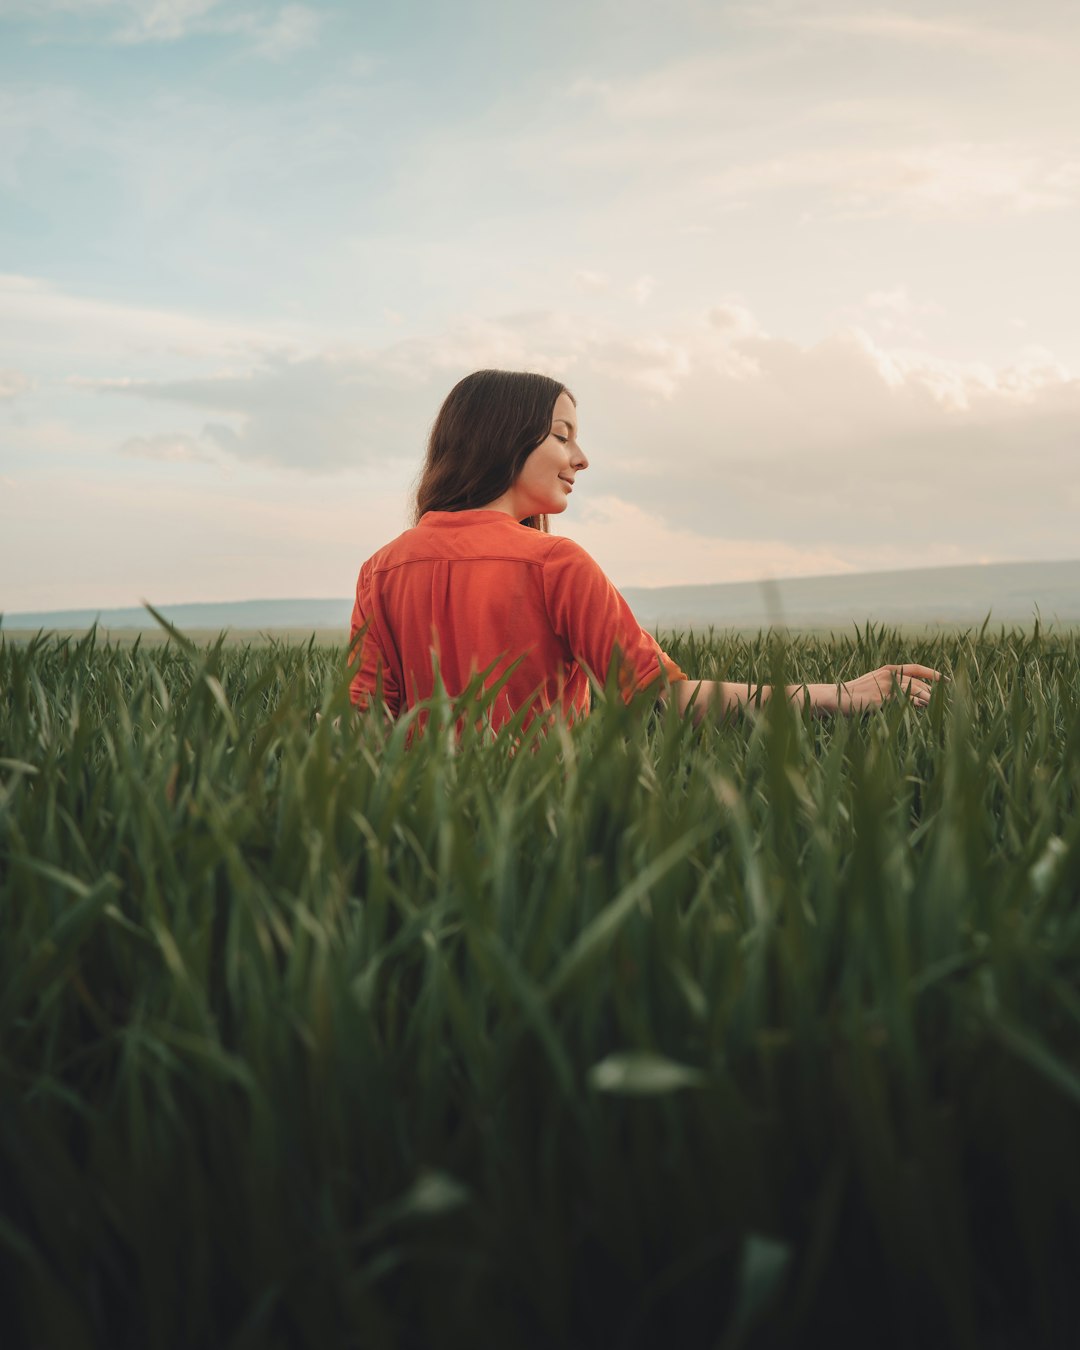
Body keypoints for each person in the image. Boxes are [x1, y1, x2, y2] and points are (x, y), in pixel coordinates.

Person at [349, 370, 940, 728]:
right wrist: (843, 695)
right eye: (563, 436)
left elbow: (363, 722)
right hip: (546, 830)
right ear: (503, 440)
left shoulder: (381, 569)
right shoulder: (554, 562)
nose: (581, 458)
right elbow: (664, 699)